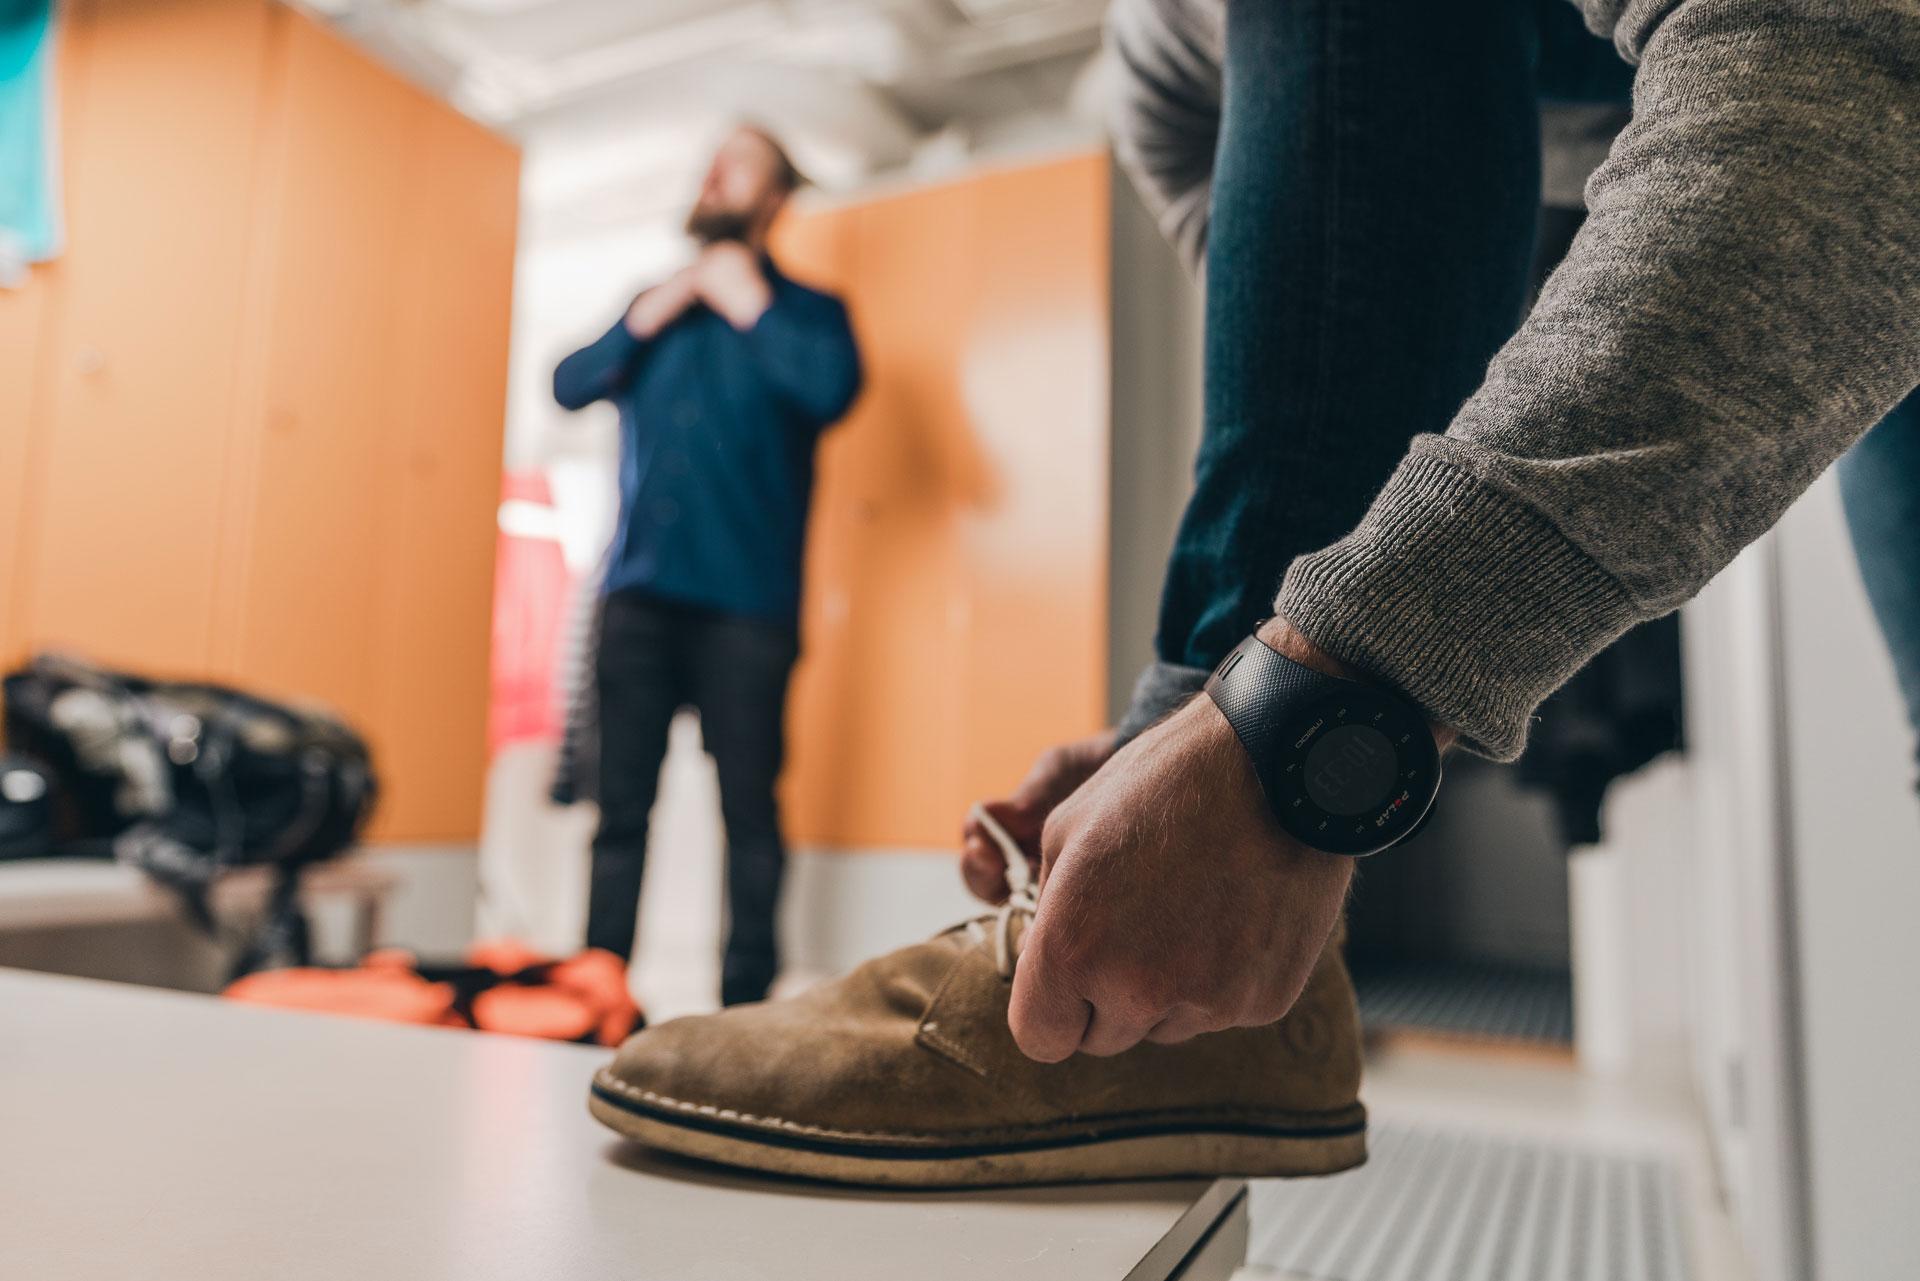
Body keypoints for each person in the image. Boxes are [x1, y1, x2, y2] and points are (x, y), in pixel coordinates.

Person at [963, 0, 1920, 1063]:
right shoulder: (1165, 90)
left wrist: (1306, 722)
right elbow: (1315, 403)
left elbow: (1863, 85)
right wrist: (1186, 745)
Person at [552, 124, 862, 1007]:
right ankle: (594, 994)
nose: (710, 175)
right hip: (638, 598)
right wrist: (644, 314)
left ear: (772, 199)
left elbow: (831, 390)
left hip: (748, 609)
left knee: (750, 815)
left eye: (735, 166)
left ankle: (746, 1013)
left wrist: (748, 303)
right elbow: (568, 385)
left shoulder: (807, 314)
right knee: (620, 814)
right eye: (708, 163)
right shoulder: (654, 308)